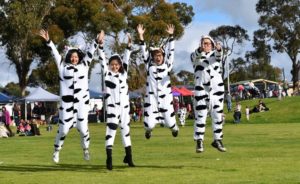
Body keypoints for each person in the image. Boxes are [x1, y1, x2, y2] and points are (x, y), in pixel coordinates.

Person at [38, 29, 103, 163]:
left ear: (79, 58)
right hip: (66, 106)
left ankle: (86, 150)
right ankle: (56, 151)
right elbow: (55, 55)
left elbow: (90, 53)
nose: (74, 58)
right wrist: (49, 41)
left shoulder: (84, 66)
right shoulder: (62, 67)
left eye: (76, 57)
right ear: (68, 57)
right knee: (63, 131)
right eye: (72, 56)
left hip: (81, 106)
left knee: (84, 130)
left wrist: (96, 41)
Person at [97, 32, 135, 170]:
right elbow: (101, 59)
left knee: (126, 132)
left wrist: (129, 44)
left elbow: (127, 57)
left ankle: (129, 158)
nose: (114, 67)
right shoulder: (107, 74)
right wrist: (100, 45)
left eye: (116, 65)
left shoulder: (124, 74)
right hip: (112, 108)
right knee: (111, 132)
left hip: (125, 108)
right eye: (112, 64)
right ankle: (109, 159)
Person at [137, 24, 179, 139]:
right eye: (155, 55)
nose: (157, 57)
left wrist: (171, 36)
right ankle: (148, 131)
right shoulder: (149, 66)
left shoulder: (167, 66)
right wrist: (141, 36)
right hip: (152, 101)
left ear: (163, 56)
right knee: (149, 125)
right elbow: (143, 51)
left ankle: (175, 129)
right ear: (152, 57)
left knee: (171, 124)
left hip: (166, 101)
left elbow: (171, 52)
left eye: (159, 55)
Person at [191, 35, 226, 153]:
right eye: (204, 43)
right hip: (201, 90)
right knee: (200, 116)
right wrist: (200, 50)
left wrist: (219, 49)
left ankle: (218, 140)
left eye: (208, 43)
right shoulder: (196, 56)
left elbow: (219, 55)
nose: (206, 46)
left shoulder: (215, 56)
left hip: (216, 91)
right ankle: (199, 141)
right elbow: (194, 57)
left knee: (217, 116)